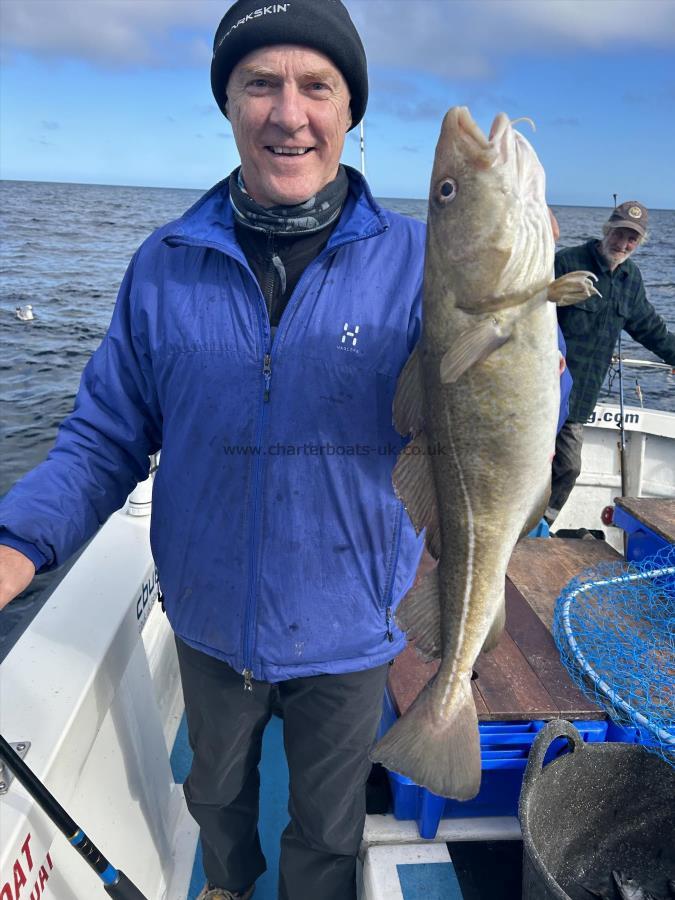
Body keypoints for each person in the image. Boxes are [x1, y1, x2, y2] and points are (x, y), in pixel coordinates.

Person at [0, 4, 572, 898]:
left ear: (351, 109)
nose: (288, 112)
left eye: (317, 86)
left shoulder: (424, 263)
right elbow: (104, 435)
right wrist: (18, 542)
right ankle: (227, 882)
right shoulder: (164, 263)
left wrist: (543, 375)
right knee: (216, 793)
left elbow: (511, 411)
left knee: (327, 819)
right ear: (227, 101)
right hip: (206, 619)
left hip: (351, 625)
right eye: (260, 83)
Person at [545, 201, 675, 525]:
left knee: (568, 466)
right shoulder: (567, 262)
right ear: (607, 228)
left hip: (580, 398)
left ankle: (540, 525)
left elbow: (650, 328)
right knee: (529, 463)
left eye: (632, 238)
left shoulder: (631, 280)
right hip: (543, 388)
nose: (623, 243)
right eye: (620, 233)